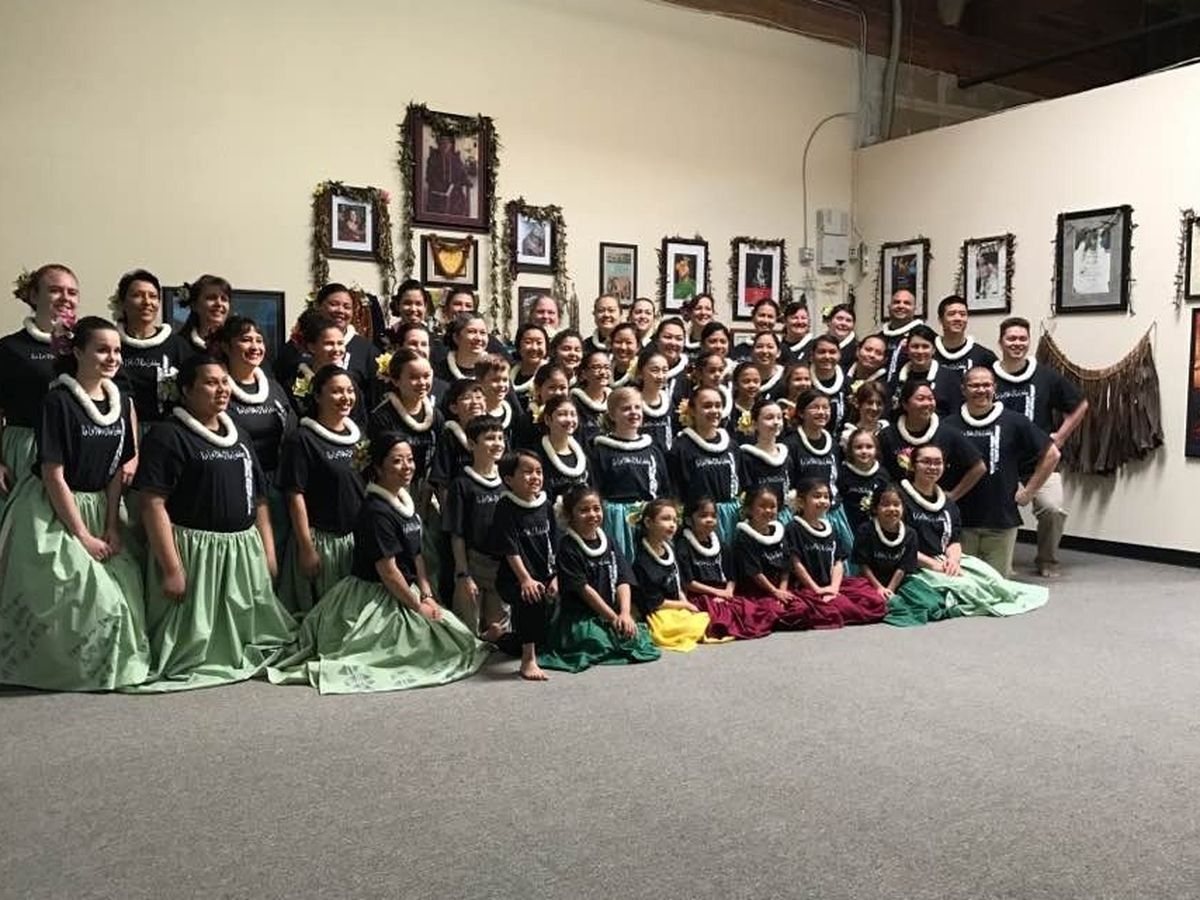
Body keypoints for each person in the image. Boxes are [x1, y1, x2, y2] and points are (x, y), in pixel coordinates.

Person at [267, 433, 488, 693]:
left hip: (406, 588)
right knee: (416, 651)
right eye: (397, 461)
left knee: (458, 639)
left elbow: (416, 554)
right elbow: (389, 572)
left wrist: (427, 594)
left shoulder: (405, 501)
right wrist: (417, 606)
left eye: (410, 459)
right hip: (375, 594)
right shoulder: (375, 512)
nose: (407, 466)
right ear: (378, 468)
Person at [0, 316, 149, 691]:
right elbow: (53, 474)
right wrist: (82, 535)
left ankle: (109, 667)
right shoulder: (58, 401)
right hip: (53, 507)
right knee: (86, 593)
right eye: (102, 350)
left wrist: (112, 525)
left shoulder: (120, 402)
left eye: (117, 350)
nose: (112, 358)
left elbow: (116, 470)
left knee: (125, 590)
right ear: (78, 352)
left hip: (101, 506)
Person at [132, 355, 295, 691]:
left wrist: (268, 552)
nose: (221, 389)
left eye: (224, 382)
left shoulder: (240, 435)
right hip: (195, 553)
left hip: (241, 550)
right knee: (190, 645)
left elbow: (259, 499)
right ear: (186, 390)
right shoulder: (167, 436)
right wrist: (172, 568)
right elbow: (151, 504)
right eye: (210, 382)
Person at [897, 444, 1048, 617]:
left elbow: (953, 540)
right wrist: (934, 565)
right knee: (968, 588)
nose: (932, 467)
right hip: (915, 563)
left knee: (993, 579)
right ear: (913, 465)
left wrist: (953, 561)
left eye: (938, 462)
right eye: (926, 462)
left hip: (944, 559)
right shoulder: (900, 499)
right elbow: (900, 544)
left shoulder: (947, 503)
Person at [992, 316, 1089, 578]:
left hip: (1041, 460)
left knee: (1053, 509)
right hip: (1000, 461)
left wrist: (1061, 437)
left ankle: (1047, 559)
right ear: (1000, 342)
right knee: (996, 510)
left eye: (1022, 338)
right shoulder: (988, 376)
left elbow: (1080, 405)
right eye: (1011, 338)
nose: (1017, 343)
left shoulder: (1045, 376)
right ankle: (1000, 561)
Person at [946, 366, 1061, 578]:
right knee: (964, 584)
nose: (981, 390)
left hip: (1001, 521)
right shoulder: (948, 425)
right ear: (963, 389)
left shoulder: (1015, 422)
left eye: (986, 385)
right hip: (961, 522)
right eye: (974, 385)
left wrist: (1029, 492)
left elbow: (1052, 454)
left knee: (996, 585)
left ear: (995, 388)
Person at [539, 486, 660, 672]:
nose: (592, 514)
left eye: (596, 508)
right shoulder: (567, 547)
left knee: (637, 637)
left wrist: (625, 613)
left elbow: (623, 578)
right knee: (599, 643)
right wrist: (613, 618)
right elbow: (584, 590)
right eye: (584, 510)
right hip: (581, 618)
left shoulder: (609, 541)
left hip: (612, 611)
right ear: (570, 515)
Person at [276, 366, 365, 616]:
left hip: (355, 539)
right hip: (322, 542)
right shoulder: (302, 439)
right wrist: (306, 548)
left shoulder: (359, 435)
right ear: (317, 396)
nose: (345, 397)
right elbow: (295, 495)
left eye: (349, 391)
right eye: (336, 391)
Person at [1, 264, 81, 513]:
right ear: (34, 296)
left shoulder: (87, 346)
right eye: (55, 290)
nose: (65, 298)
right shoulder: (9, 348)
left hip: (77, 448)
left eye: (72, 292)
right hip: (26, 451)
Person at [487, 451, 557, 681]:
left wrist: (555, 576)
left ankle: (499, 637)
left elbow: (553, 543)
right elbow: (510, 548)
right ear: (509, 479)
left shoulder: (546, 505)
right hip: (514, 577)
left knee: (540, 632)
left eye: (538, 471)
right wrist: (525, 579)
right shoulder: (505, 507)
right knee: (531, 596)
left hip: (544, 574)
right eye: (527, 472)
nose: (535, 477)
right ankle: (528, 660)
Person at [851, 484, 957, 628]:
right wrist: (880, 588)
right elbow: (863, 565)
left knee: (930, 603)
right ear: (875, 508)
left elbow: (903, 567)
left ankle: (894, 603)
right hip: (870, 582)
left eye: (896, 505)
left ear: (903, 508)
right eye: (885, 505)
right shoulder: (865, 530)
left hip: (899, 582)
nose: (892, 509)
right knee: (866, 604)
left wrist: (890, 589)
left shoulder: (910, 534)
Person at [784, 478, 886, 627]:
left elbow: (838, 562)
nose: (823, 501)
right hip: (807, 587)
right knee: (834, 610)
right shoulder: (793, 528)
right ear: (801, 501)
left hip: (831, 585)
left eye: (826, 497)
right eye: (817, 496)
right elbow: (796, 563)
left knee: (874, 600)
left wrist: (833, 589)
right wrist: (817, 590)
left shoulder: (830, 528)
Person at [731, 487, 834, 630]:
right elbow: (755, 572)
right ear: (749, 509)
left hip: (780, 590)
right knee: (773, 612)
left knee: (803, 609)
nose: (768, 510)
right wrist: (774, 592)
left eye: (772, 506)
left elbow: (786, 566)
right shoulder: (744, 538)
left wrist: (782, 591)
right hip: (758, 592)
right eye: (762, 506)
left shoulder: (779, 532)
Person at [676, 498, 776, 639]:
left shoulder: (721, 545)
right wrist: (717, 592)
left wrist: (728, 591)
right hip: (701, 595)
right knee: (721, 617)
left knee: (753, 612)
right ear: (688, 520)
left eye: (713, 516)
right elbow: (688, 583)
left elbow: (731, 576)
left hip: (724, 592)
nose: (709, 520)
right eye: (703, 516)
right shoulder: (683, 546)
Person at [445, 416, 508, 640]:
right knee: (468, 631)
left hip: (502, 565)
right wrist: (463, 573)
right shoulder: (462, 484)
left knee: (500, 632)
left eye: (500, 438)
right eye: (490, 438)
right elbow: (457, 533)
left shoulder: (508, 480)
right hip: (474, 563)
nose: (497, 443)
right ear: (472, 444)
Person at [590, 385, 671, 561]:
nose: (633, 412)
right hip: (617, 520)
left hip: (649, 519)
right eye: (626, 409)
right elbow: (596, 489)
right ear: (612, 415)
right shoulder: (601, 451)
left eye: (637, 407)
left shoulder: (652, 449)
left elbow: (664, 487)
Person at [878, 380, 985, 501]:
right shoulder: (887, 435)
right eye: (921, 399)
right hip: (898, 505)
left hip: (936, 504)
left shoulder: (947, 433)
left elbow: (979, 467)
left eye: (930, 398)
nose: (927, 403)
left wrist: (954, 495)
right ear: (905, 404)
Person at [632, 499, 713, 652]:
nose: (672, 525)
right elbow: (656, 602)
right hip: (657, 611)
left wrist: (685, 602)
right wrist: (685, 605)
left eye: (675, 520)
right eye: (666, 519)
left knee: (705, 618)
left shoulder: (670, 551)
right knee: (671, 629)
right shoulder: (642, 562)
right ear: (648, 522)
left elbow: (677, 585)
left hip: (675, 606)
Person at [112, 268, 183, 429]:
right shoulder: (110, 343)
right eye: (138, 295)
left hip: (166, 430)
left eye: (153, 296)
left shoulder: (176, 345)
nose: (147, 302)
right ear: (122, 302)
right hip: (118, 427)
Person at [785, 390, 854, 555]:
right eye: (815, 407)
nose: (822, 412)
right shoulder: (790, 445)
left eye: (826, 407)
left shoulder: (834, 445)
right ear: (801, 413)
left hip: (833, 513)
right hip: (803, 518)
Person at [670, 387, 741, 543]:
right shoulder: (680, 448)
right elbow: (676, 492)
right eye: (707, 406)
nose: (714, 410)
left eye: (718, 405)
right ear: (692, 411)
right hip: (698, 523)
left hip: (730, 518)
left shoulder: (732, 446)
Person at [370, 349, 441, 492]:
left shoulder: (436, 416)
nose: (422, 383)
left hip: (425, 490)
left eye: (426, 376)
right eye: (414, 377)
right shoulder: (382, 417)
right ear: (395, 380)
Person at [738, 398, 793, 523]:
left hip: (783, 518)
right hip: (757, 520)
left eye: (779, 417)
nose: (776, 422)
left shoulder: (786, 456)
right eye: (769, 418)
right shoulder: (746, 457)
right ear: (755, 423)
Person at [886, 323, 960, 414]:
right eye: (915, 346)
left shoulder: (950, 379)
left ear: (934, 350)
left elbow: (955, 414)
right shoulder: (897, 379)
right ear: (907, 350)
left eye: (925, 347)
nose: (920, 351)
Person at [839, 427, 889, 537]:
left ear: (876, 449)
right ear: (850, 450)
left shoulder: (883, 475)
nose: (864, 451)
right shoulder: (842, 473)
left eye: (869, 447)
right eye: (858, 447)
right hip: (848, 530)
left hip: (875, 532)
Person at [510, 362, 570, 451]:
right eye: (552, 387)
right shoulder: (527, 420)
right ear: (538, 389)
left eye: (562, 388)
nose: (558, 393)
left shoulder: (572, 417)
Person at [933, 295, 997, 379]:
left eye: (962, 314)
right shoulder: (929, 353)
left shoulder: (984, 356)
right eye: (951, 314)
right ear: (940, 320)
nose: (958, 318)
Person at [176, 274, 231, 362]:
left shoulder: (235, 343)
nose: (219, 304)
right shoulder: (179, 346)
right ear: (194, 305)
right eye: (211, 298)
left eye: (224, 299)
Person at [635, 346, 677, 455]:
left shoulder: (669, 402)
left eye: (665, 370)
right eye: (655, 370)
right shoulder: (632, 403)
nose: (660, 376)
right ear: (640, 372)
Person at [877, 288, 924, 382]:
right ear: (889, 307)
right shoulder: (880, 337)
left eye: (907, 303)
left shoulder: (924, 336)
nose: (901, 306)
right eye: (896, 302)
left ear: (915, 309)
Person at [808, 334, 851, 436]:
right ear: (812, 355)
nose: (827, 356)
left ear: (839, 355)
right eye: (821, 352)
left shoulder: (848, 384)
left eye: (832, 352)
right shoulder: (804, 380)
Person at [424, 132, 474, 217]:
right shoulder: (433, 159)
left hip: (454, 190)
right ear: (439, 145)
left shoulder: (455, 159)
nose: (445, 146)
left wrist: (466, 181)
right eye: (442, 143)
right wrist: (440, 187)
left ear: (450, 145)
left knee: (460, 202)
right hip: (438, 191)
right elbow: (429, 176)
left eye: (447, 143)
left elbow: (462, 173)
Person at [571, 349, 611, 445]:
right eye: (596, 367)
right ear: (584, 373)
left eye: (607, 367)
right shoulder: (573, 402)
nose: (603, 372)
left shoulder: (615, 400)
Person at [841, 380, 889, 448]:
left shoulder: (888, 432)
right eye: (870, 403)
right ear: (857, 404)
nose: (874, 408)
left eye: (879, 404)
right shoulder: (847, 436)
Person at [510, 322, 548, 405]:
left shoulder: (552, 374)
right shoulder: (507, 373)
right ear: (518, 346)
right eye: (528, 342)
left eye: (539, 343)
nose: (534, 348)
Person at [726, 361, 762, 445]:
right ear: (736, 384)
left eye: (756, 381)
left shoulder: (764, 408)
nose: (752, 385)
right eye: (746, 381)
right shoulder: (728, 410)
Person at [750, 331, 786, 398]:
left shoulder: (786, 378)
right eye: (759, 346)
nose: (764, 351)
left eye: (770, 347)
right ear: (752, 351)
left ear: (778, 352)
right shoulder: (742, 378)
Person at [824, 303, 859, 370]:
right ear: (829, 321)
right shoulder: (815, 345)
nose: (843, 323)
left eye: (848, 320)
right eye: (839, 319)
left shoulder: (858, 350)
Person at [780, 299, 814, 364]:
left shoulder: (815, 347)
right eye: (794, 318)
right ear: (785, 321)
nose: (799, 322)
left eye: (803, 318)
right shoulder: (777, 346)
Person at [608, 322, 640, 388]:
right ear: (611, 344)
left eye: (629, 342)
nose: (623, 347)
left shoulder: (643, 373)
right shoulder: (604, 370)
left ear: (638, 346)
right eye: (618, 342)